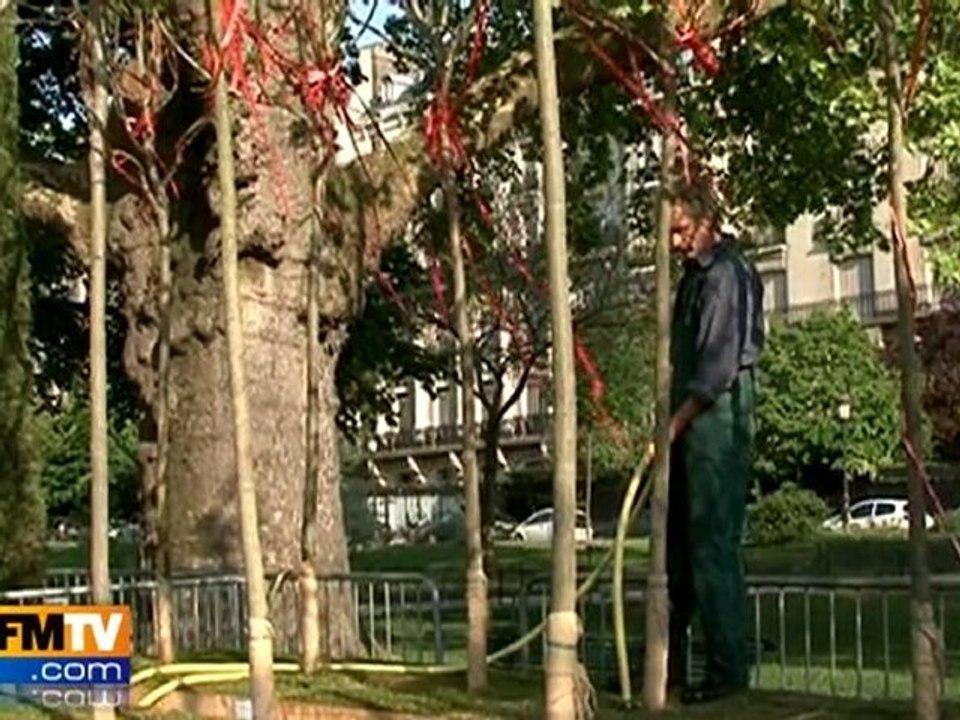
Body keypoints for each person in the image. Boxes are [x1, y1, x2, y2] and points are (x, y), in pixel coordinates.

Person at [663, 175, 765, 704]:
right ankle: (666, 669)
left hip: (716, 419)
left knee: (710, 544)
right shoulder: (691, 277)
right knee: (676, 548)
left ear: (706, 221)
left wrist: (675, 425)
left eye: (680, 231)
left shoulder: (727, 275)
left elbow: (717, 367)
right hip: (689, 417)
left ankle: (727, 672)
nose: (674, 242)